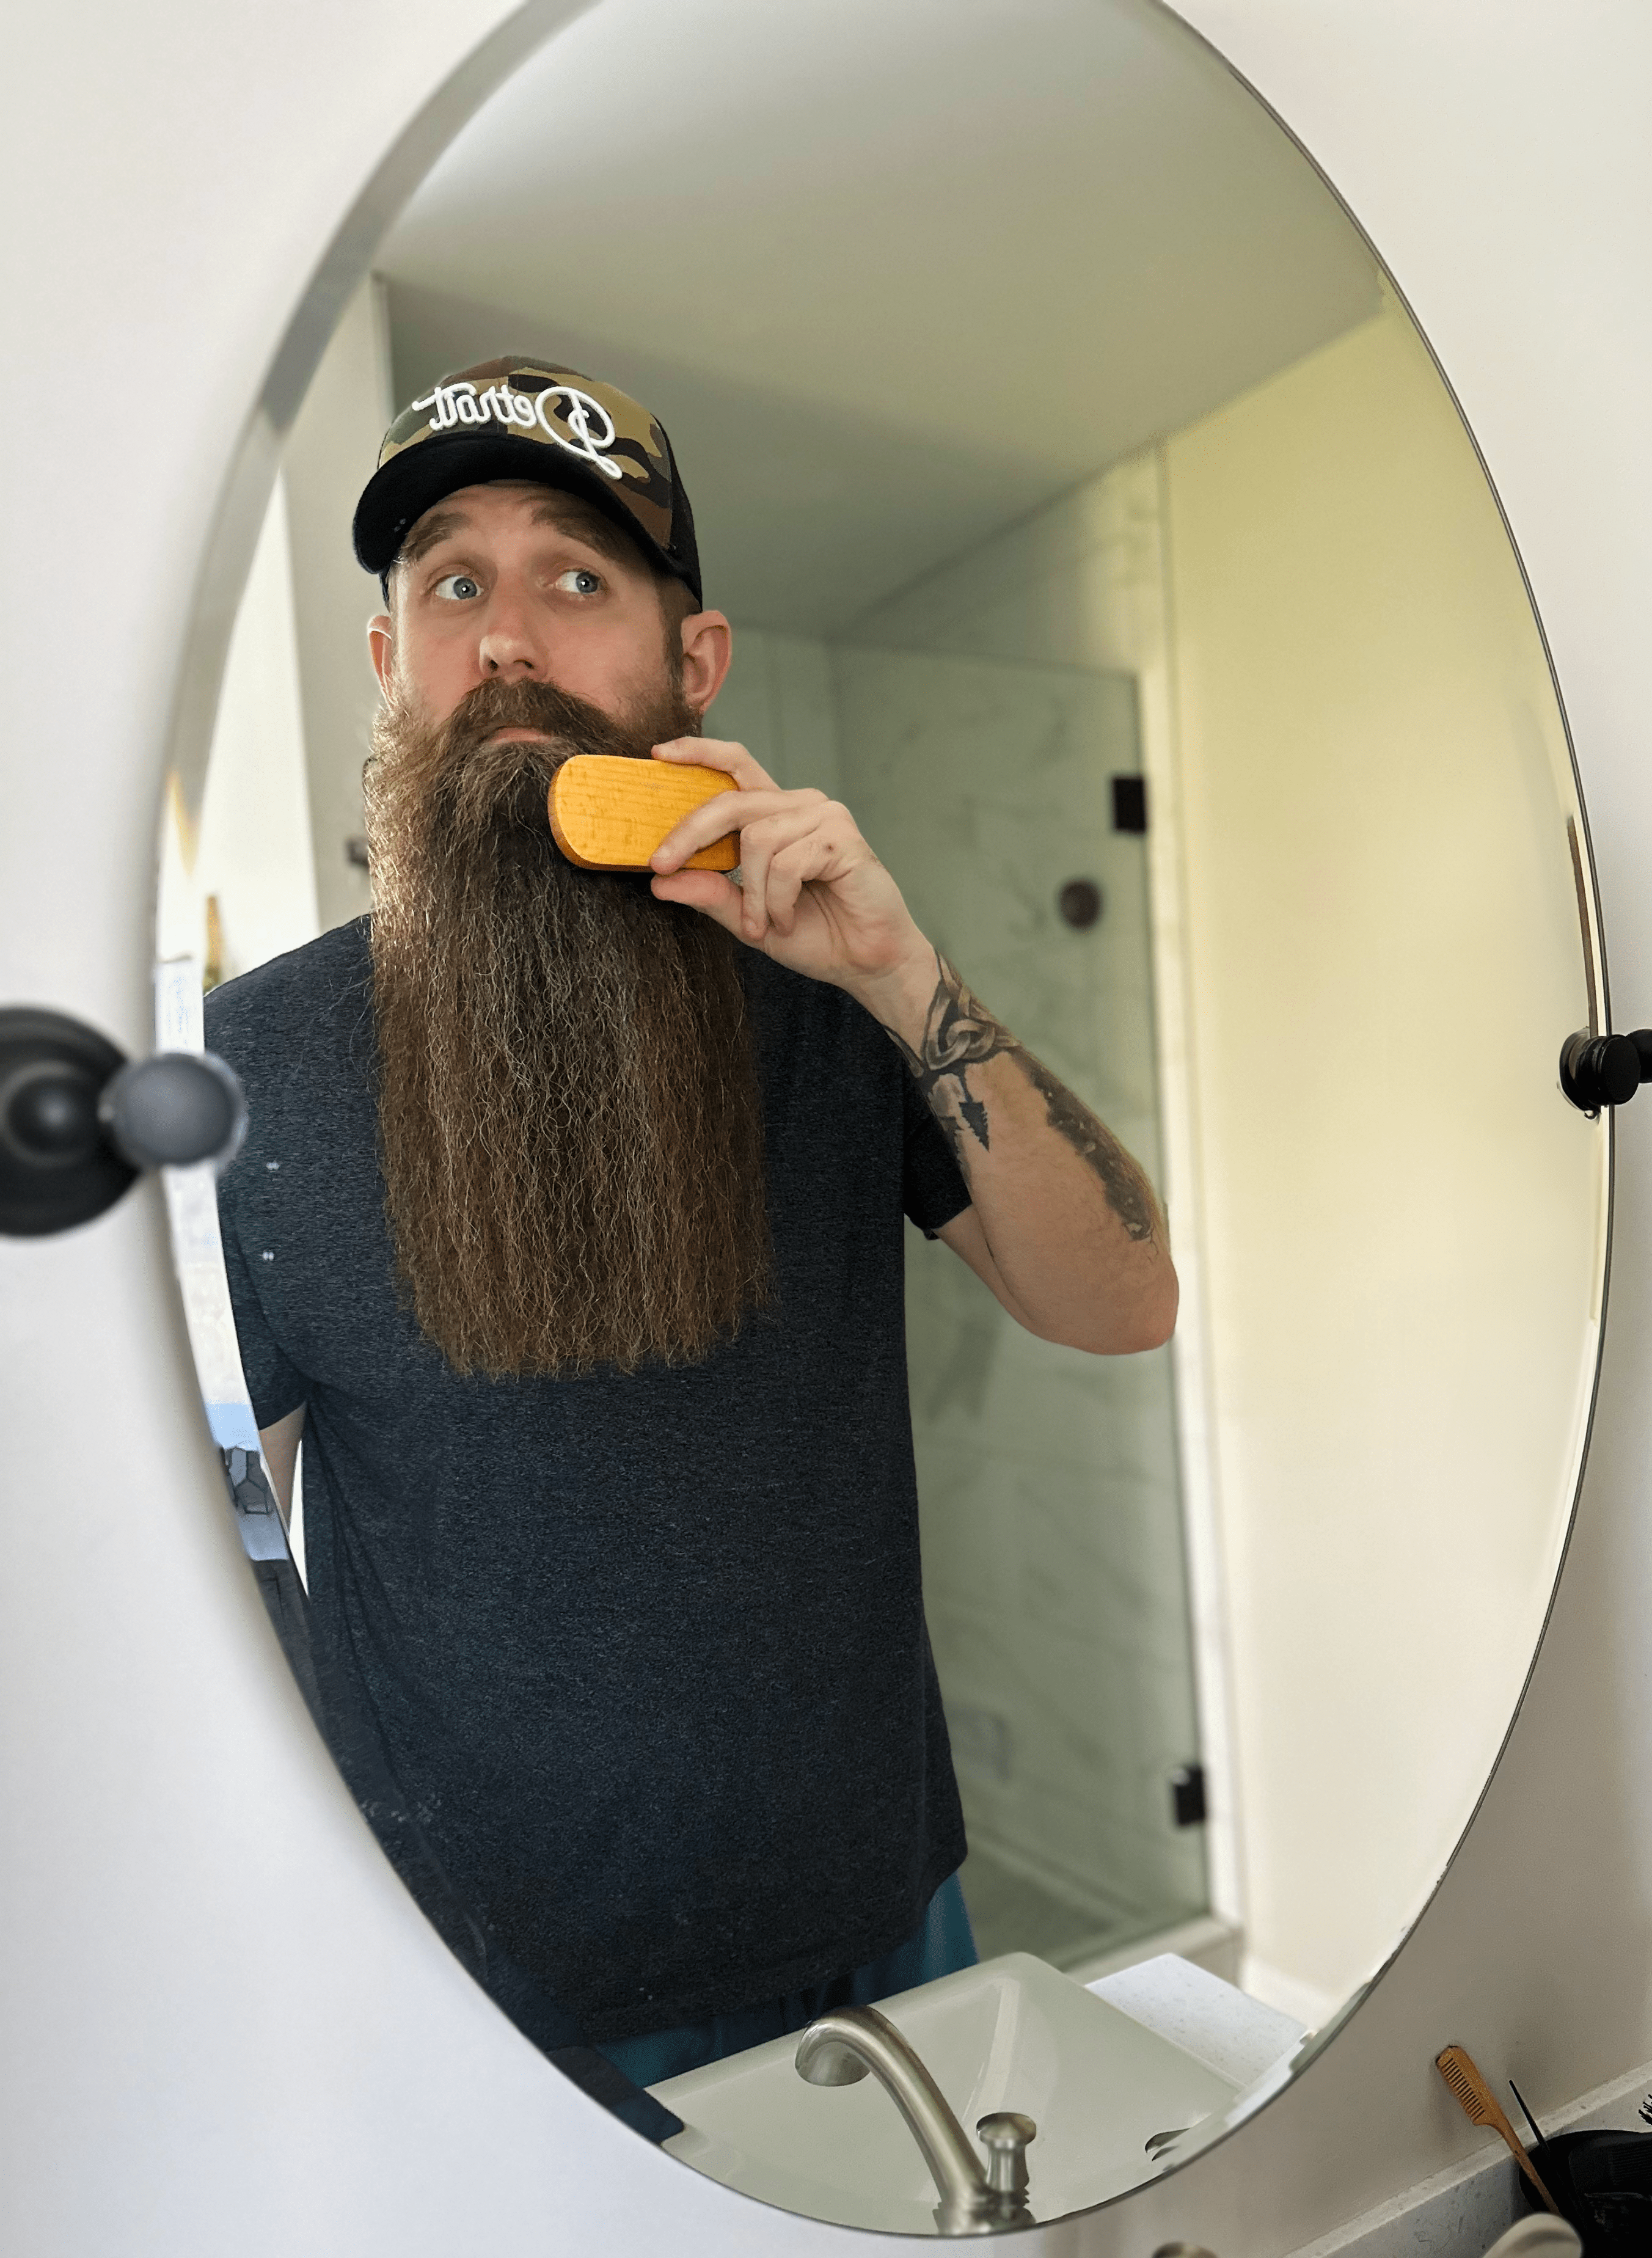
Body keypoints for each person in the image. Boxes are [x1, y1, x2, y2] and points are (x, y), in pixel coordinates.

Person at [205, 355, 1177, 2095]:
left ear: (691, 665)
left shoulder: (823, 992)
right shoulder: (258, 1061)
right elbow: (201, 1545)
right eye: (453, 583)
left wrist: (901, 974)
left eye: (579, 580)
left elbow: (1121, 1302)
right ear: (391, 666)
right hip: (482, 1985)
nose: (509, 640)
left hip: (884, 1935)